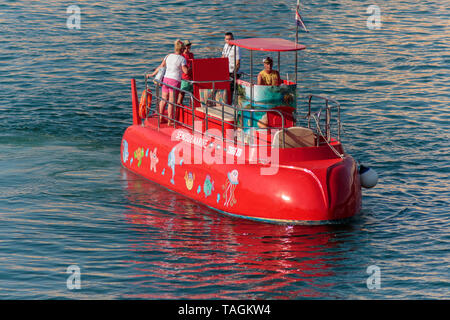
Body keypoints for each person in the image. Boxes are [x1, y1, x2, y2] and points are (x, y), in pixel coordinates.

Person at [149, 40, 188, 126]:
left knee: (163, 100)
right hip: (175, 81)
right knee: (171, 102)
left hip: (166, 80)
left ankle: (160, 117)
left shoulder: (168, 56)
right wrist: (190, 68)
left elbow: (161, 66)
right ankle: (170, 121)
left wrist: (152, 74)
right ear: (182, 49)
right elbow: (185, 71)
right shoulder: (182, 59)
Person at [221, 32, 240, 101]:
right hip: (225, 71)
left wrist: (233, 74)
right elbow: (223, 57)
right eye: (227, 39)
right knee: (224, 90)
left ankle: (230, 104)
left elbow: (238, 63)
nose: (229, 41)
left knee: (230, 90)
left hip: (232, 72)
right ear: (225, 39)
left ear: (233, 39)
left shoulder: (236, 48)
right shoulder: (225, 46)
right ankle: (225, 104)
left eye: (230, 39)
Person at [177, 40, 194, 106]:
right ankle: (178, 108)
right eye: (187, 45)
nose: (188, 47)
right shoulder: (181, 55)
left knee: (193, 95)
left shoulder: (191, 54)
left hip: (192, 77)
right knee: (181, 94)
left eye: (189, 45)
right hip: (184, 78)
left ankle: (192, 108)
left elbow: (193, 64)